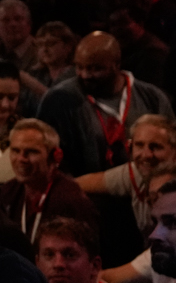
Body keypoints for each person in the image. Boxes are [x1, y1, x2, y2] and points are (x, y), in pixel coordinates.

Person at [37, 31, 173, 177]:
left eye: (95, 68)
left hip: (143, 190)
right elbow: (45, 153)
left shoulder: (152, 98)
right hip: (82, 193)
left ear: (117, 64)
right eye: (79, 67)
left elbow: (171, 148)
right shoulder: (58, 99)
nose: (85, 75)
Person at [0, 117, 93, 252]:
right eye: (15, 151)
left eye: (31, 151)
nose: (21, 159)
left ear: (55, 156)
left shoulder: (71, 199)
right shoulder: (10, 190)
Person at [77, 111, 176, 242]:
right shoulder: (136, 172)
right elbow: (78, 184)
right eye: (139, 145)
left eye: (156, 147)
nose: (146, 155)